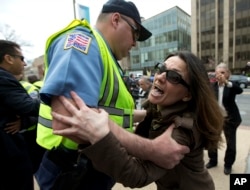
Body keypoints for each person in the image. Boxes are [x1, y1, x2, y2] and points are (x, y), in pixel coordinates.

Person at [35, 1, 189, 190]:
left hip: (87, 164)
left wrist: (147, 115)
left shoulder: (104, 55)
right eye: (135, 33)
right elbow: (70, 119)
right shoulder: (84, 44)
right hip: (73, 168)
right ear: (116, 20)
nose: (135, 43)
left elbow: (108, 112)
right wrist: (151, 149)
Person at [52, 51, 224, 190]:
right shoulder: (161, 108)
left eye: (174, 77)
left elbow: (137, 174)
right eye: (161, 68)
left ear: (187, 95)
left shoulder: (182, 131)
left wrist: (100, 133)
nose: (160, 77)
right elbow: (147, 115)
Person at [0, 40, 40, 190]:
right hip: (10, 156)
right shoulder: (3, 78)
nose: (24, 64)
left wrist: (23, 122)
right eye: (21, 58)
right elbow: (29, 106)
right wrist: (52, 95)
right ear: (9, 58)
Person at [205, 63, 243, 175]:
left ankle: (228, 165)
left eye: (223, 72)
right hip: (216, 119)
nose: (220, 75)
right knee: (212, 140)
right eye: (217, 73)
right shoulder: (213, 86)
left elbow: (239, 90)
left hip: (230, 119)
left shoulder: (231, 85)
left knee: (230, 143)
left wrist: (226, 83)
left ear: (228, 74)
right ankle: (213, 161)